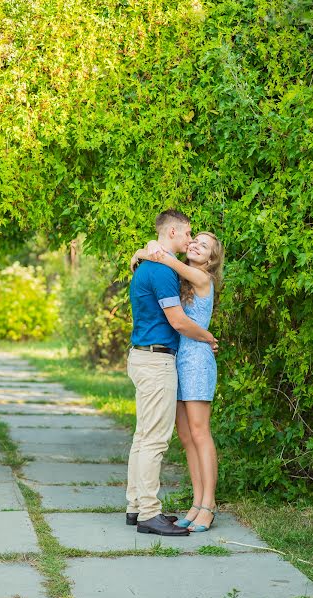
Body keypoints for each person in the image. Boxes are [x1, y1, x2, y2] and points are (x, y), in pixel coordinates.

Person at [126, 209, 218, 536]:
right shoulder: (176, 277)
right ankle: (194, 504)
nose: (194, 242)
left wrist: (153, 249)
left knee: (199, 433)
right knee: (184, 437)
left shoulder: (199, 277)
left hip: (194, 360)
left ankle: (207, 505)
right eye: (192, 236)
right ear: (177, 231)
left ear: (211, 259)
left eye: (202, 245)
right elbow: (163, 259)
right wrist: (147, 249)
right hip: (174, 360)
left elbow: (169, 261)